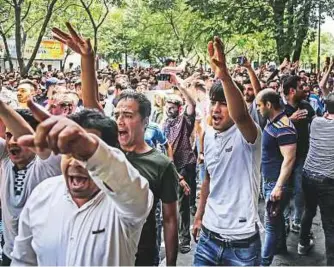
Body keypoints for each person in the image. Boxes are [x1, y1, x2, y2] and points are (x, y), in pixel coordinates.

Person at [51, 22, 179, 266]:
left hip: (143, 253)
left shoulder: (160, 164)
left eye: (128, 116)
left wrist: (171, 262)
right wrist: (87, 59)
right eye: (117, 114)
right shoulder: (108, 152)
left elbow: (170, 217)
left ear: (146, 122)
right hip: (106, 248)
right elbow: (92, 106)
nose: (120, 121)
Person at [10, 101, 153, 265]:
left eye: (84, 155)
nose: (76, 162)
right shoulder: (42, 194)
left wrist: (92, 150)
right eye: (69, 152)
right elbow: (23, 260)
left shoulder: (126, 205)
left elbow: (133, 192)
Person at [193, 37, 262, 266]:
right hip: (208, 239)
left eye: (223, 103)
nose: (216, 109)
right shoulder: (208, 135)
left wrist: (224, 76)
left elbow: (240, 115)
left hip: (242, 245)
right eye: (213, 102)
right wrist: (198, 216)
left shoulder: (249, 136)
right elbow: (208, 179)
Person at [0, 101, 62, 265]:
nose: (12, 141)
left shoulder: (50, 163)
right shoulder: (5, 158)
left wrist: (2, 108)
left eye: (17, 136)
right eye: (8, 135)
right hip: (10, 254)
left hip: (43, 259)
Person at [256, 89, 297, 265]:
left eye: (259, 105)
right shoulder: (274, 122)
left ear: (269, 105)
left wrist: (278, 186)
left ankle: (264, 263)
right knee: (277, 219)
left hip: (275, 183)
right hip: (270, 180)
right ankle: (281, 247)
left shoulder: (284, 126)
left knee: (271, 225)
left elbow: (289, 158)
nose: (258, 109)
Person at [298, 93, 334, 266]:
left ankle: (302, 244)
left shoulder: (316, 122)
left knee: (309, 211)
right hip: (327, 181)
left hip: (308, 175)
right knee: (329, 224)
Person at [163, 73, 197, 254]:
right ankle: (171, 237)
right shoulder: (163, 124)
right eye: (168, 106)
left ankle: (184, 239)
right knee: (169, 204)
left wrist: (180, 85)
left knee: (183, 204)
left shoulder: (184, 121)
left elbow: (192, 104)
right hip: (168, 167)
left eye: (173, 106)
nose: (170, 109)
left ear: (179, 108)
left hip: (184, 165)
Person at [282, 75, 315, 233]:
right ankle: (285, 219)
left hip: (302, 155)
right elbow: (271, 127)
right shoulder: (280, 108)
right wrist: (290, 120)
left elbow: (317, 124)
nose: (306, 89)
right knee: (284, 189)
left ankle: (297, 220)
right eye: (302, 87)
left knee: (300, 188)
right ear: (292, 91)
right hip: (283, 157)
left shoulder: (306, 106)